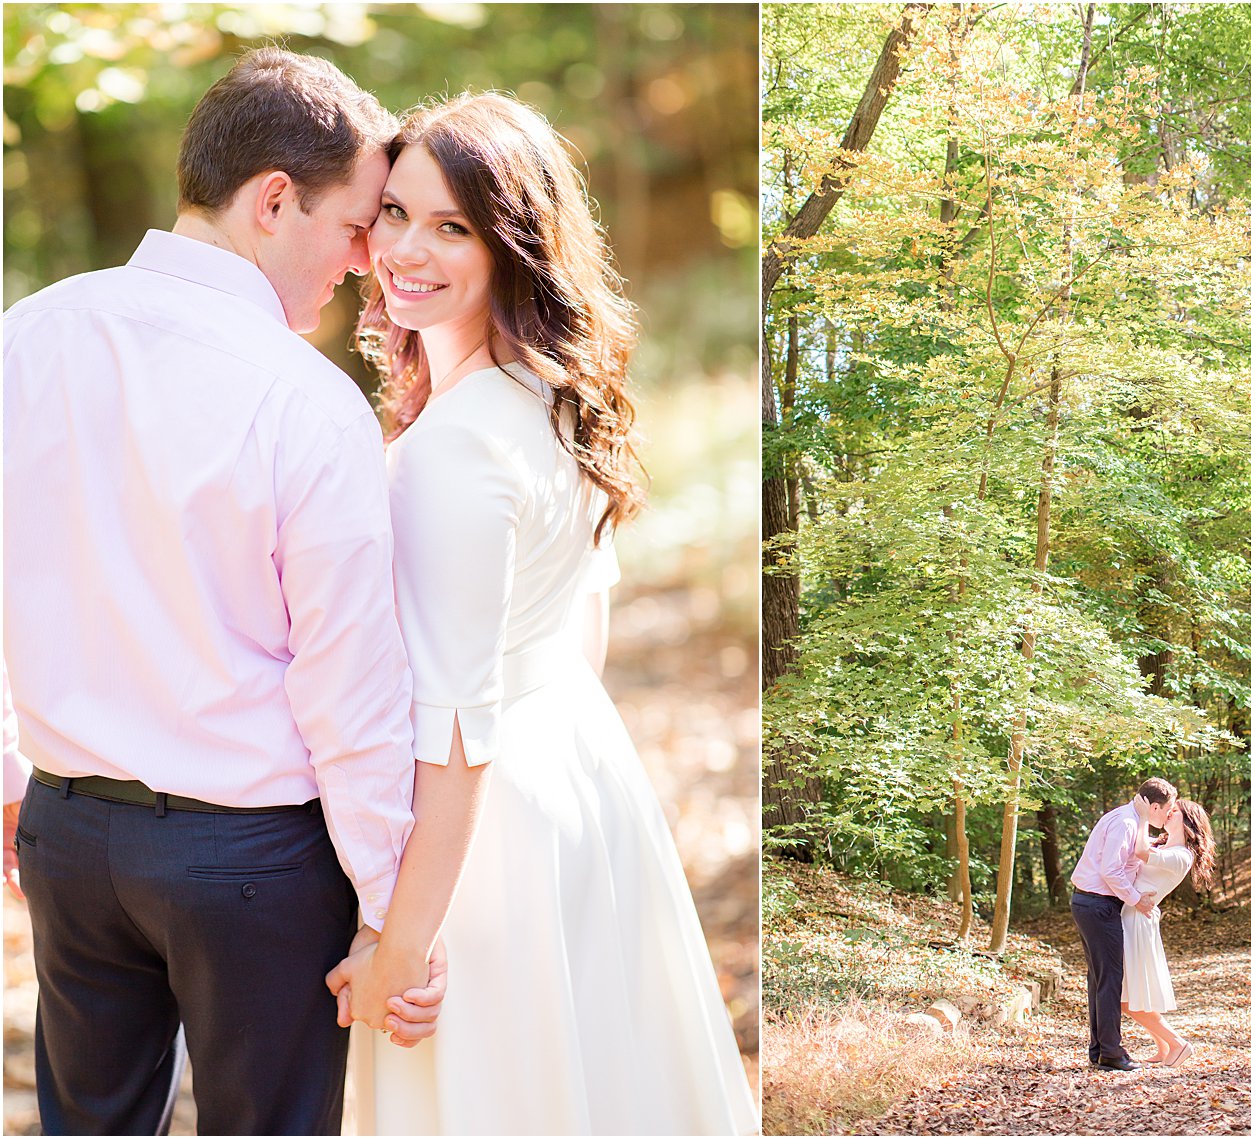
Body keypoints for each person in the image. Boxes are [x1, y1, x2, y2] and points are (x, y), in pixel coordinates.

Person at [2, 48, 443, 1135]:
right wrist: (391, 916)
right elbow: (348, 690)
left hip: (65, 831)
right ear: (274, 200)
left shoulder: (24, 339)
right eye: (353, 227)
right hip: (252, 859)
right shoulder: (305, 398)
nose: (363, 261)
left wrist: (11, 781)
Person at [321, 93, 759, 1135]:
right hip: (579, 777)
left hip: (481, 837)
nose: (404, 251)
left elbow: (457, 726)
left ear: (513, 243)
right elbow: (584, 630)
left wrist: (399, 939)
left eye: (451, 226)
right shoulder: (554, 399)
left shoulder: (455, 446)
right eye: (393, 215)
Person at [1069, 776, 1177, 1072]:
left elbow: (1125, 857)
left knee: (1100, 979)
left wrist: (1154, 843)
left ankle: (1100, 1050)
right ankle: (1112, 1054)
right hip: (1098, 904)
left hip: (1092, 904)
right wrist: (1136, 899)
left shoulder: (1128, 820)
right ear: (1154, 807)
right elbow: (1110, 870)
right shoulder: (1126, 823)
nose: (1168, 817)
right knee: (1110, 980)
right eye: (1167, 811)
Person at [1122, 798, 1215, 1067]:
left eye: (1175, 811)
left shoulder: (1181, 855)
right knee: (1134, 992)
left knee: (1125, 998)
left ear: (1188, 822)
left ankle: (1177, 1043)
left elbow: (1139, 851)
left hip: (1137, 922)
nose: (1168, 812)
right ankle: (1163, 1048)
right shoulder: (1166, 846)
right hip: (1135, 917)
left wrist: (1141, 815)